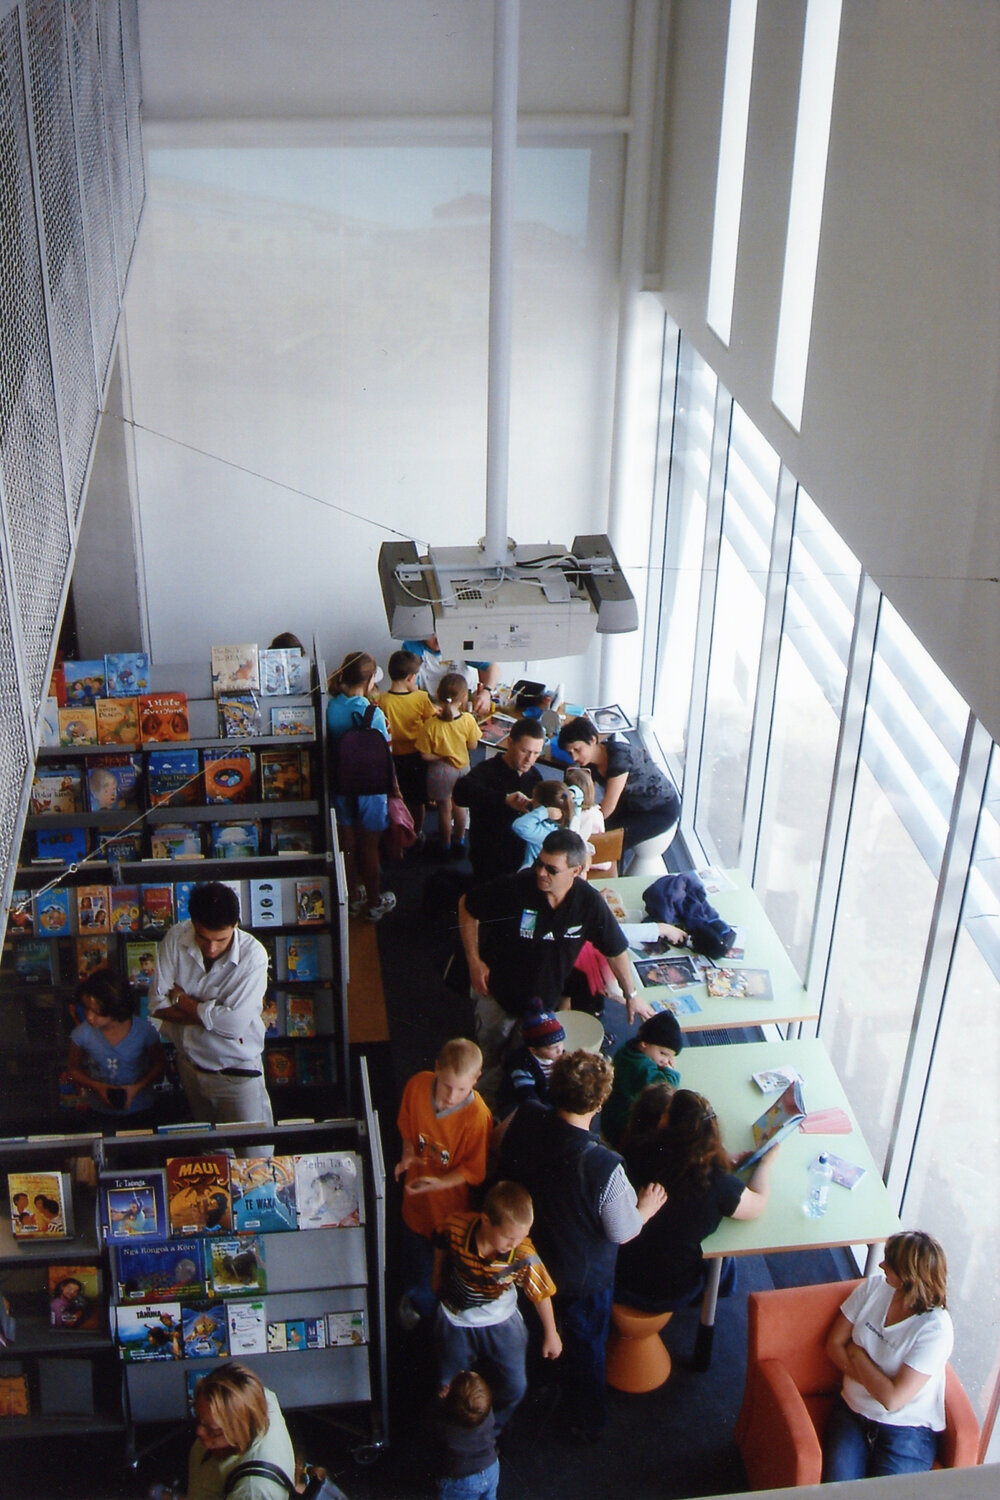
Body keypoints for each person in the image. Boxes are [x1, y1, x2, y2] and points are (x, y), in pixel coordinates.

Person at [498, 1050, 666, 1441]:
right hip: (580, 1281)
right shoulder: (605, 1167)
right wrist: (645, 1207)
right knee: (587, 1350)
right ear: (600, 1102)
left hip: (529, 1263)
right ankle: (587, 1421)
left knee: (537, 1333)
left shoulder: (523, 1117)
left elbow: (499, 1152)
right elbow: (622, 1232)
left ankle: (537, 1384)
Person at [458, 828, 653, 1097]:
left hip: (541, 1006)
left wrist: (631, 994)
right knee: (489, 1060)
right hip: (497, 996)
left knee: (524, 1065)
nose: (541, 873)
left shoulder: (588, 903)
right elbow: (467, 905)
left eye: (552, 869)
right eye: (540, 863)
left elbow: (615, 949)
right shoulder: (515, 888)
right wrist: (474, 961)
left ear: (575, 871)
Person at [615, 1088, 776, 1313]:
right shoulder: (718, 1184)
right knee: (725, 1258)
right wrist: (765, 1164)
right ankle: (717, 1296)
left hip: (618, 1273)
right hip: (667, 1292)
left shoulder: (638, 1147)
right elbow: (758, 1204)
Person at [821, 1231, 954, 1482]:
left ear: (908, 1277)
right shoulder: (873, 1287)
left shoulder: (936, 1329)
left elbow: (893, 1400)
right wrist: (879, 1384)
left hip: (907, 1432)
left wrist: (856, 1354)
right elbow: (833, 1345)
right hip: (853, 1412)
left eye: (889, 1262)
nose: (881, 1265)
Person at [432, 1181, 562, 1433]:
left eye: (521, 1237)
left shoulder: (523, 1253)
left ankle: (493, 1428)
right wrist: (435, 1276)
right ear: (485, 1220)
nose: (514, 1243)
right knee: (448, 1386)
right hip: (456, 1318)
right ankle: (455, 1429)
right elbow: (440, 1239)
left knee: (515, 1386)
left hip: (501, 1319)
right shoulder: (457, 1226)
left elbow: (540, 1293)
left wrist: (551, 1333)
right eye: (508, 1237)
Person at [151, 881, 272, 1127]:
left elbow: (233, 1026)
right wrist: (213, 1014)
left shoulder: (254, 955)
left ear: (236, 925)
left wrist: (181, 1000)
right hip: (191, 1068)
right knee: (211, 1153)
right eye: (204, 938)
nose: (212, 948)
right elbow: (156, 1005)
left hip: (237, 1073)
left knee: (254, 1156)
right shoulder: (176, 935)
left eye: (222, 940)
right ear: (193, 923)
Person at [396, 1038, 493, 1327]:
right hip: (414, 1205)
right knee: (414, 1259)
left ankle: (431, 1314)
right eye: (446, 1085)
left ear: (476, 1080)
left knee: (439, 1270)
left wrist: (437, 1184)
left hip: (448, 1214)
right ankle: (418, 1302)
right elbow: (407, 1126)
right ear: (436, 1069)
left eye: (462, 1089)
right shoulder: (416, 1086)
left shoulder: (477, 1117)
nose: (451, 1097)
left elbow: (474, 1170)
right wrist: (408, 1155)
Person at [326, 650, 397, 922]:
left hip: (341, 787)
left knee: (347, 847)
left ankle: (352, 898)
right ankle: (375, 901)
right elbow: (386, 755)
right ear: (369, 683)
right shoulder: (373, 714)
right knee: (370, 848)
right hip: (371, 791)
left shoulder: (331, 708)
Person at [556, 715, 680, 858]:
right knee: (595, 830)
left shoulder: (619, 759)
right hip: (631, 803)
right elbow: (584, 793)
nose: (574, 758)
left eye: (577, 750)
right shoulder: (590, 761)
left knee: (609, 841)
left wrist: (581, 824)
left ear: (592, 740)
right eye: (570, 753)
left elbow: (608, 806)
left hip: (658, 809)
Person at [183, 1362, 296, 1500]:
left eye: (213, 1430)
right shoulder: (255, 1398)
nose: (199, 1431)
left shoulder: (253, 1491)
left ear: (239, 1430)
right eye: (199, 1419)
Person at [65, 969, 166, 1122]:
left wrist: (136, 1088)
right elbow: (72, 1070)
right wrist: (99, 1087)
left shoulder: (145, 1031)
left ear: (115, 1006)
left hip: (142, 1109)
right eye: (86, 1008)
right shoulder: (81, 1034)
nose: (89, 1017)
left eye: (97, 1012)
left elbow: (160, 1064)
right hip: (99, 1111)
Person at [452, 718, 544, 884]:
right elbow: (460, 792)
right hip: (489, 855)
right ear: (509, 743)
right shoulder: (487, 770)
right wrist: (503, 799)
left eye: (536, 753)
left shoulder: (535, 776)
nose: (529, 759)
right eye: (524, 751)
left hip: (520, 856)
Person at [415, 672, 482, 858]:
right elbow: (473, 745)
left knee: (444, 808)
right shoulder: (468, 720)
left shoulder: (430, 725)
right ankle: (459, 840)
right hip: (463, 768)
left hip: (441, 770)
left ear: (438, 692)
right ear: (463, 699)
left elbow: (424, 755)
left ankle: (444, 845)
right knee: (461, 807)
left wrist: (440, 755)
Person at [601, 1010, 684, 1148]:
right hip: (621, 1124)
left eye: (670, 1057)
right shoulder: (640, 1066)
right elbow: (666, 1087)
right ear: (645, 1044)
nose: (666, 1061)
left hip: (611, 1115)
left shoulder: (629, 1049)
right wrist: (671, 1072)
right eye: (663, 1054)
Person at [379, 648, 435, 842]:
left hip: (392, 758)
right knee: (418, 799)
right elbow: (431, 724)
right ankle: (417, 832)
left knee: (397, 797)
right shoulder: (421, 698)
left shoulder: (382, 700)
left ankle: (397, 832)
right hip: (416, 756)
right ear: (411, 678)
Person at [434, 1371, 500, 1500]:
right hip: (491, 1468)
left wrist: (439, 1400)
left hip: (462, 1479)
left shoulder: (443, 1424)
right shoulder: (485, 1412)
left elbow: (429, 1424)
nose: (462, 1370)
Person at [401, 635, 498, 720]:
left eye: (441, 633)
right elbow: (411, 688)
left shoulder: (461, 641)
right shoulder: (412, 647)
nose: (438, 640)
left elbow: (493, 668)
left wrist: (486, 692)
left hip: (464, 705)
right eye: (432, 635)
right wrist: (428, 707)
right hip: (432, 707)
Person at [495, 1009, 566, 1120]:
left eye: (561, 1043)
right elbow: (528, 1097)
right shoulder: (522, 1065)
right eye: (552, 1047)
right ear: (533, 1050)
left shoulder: (561, 1057)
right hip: (521, 1101)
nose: (559, 1050)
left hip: (547, 1097)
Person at [510, 780, 576, 869]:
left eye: (534, 799)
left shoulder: (547, 833)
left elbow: (518, 826)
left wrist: (544, 812)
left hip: (531, 873)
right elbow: (579, 793)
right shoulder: (570, 820)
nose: (531, 801)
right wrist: (572, 792)